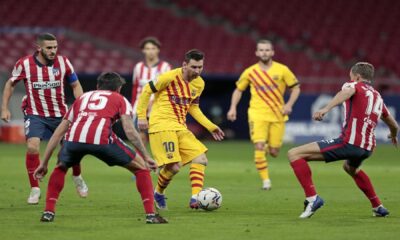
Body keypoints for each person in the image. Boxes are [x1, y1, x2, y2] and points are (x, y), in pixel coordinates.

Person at [34, 72, 167, 224]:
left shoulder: (82, 98)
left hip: (73, 141)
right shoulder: (120, 99)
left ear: (97, 86)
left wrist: (43, 163)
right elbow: (130, 131)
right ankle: (151, 215)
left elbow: (58, 133)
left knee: (61, 168)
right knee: (141, 168)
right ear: (119, 89)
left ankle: (48, 212)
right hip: (102, 140)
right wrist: (146, 157)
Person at [287, 62, 399, 218]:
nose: (350, 78)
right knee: (350, 168)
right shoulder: (377, 97)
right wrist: (393, 135)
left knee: (294, 154)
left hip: (349, 143)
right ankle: (378, 206)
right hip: (367, 149)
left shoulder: (354, 85)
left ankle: (313, 199)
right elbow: (394, 125)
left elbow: (345, 93)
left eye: (351, 76)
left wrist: (325, 109)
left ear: (357, 76)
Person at [0, 33, 88, 204]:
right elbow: (10, 84)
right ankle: (35, 189)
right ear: (38, 47)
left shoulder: (63, 62)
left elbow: (75, 85)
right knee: (33, 147)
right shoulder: (24, 64)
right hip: (35, 114)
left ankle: (77, 177)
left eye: (55, 47)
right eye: (49, 48)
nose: (53, 51)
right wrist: (4, 108)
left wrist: (81, 105)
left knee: (71, 149)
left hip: (61, 114)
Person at [136, 49, 225, 209]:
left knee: (201, 158)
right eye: (194, 67)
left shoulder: (199, 84)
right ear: (185, 65)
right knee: (174, 166)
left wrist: (211, 126)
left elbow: (194, 107)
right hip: (161, 125)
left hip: (179, 126)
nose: (197, 71)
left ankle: (196, 197)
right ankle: (158, 193)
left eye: (200, 67)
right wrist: (142, 116)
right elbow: (146, 90)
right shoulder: (169, 77)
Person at [227, 39, 301, 190]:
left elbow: (296, 88)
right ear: (256, 52)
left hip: (277, 114)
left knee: (274, 152)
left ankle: (266, 149)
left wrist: (288, 105)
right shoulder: (250, 71)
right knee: (259, 146)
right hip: (257, 113)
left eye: (267, 50)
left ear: (272, 52)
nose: (264, 52)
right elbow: (238, 90)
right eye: (261, 50)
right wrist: (233, 107)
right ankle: (266, 181)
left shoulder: (282, 70)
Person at [131, 37, 171, 143]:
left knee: (159, 137)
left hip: (158, 106)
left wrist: (152, 102)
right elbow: (135, 87)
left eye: (153, 48)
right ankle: (143, 159)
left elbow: (167, 89)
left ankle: (161, 159)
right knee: (140, 136)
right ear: (143, 50)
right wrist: (133, 105)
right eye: (148, 48)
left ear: (158, 50)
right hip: (140, 107)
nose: (150, 51)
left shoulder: (165, 67)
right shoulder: (138, 67)